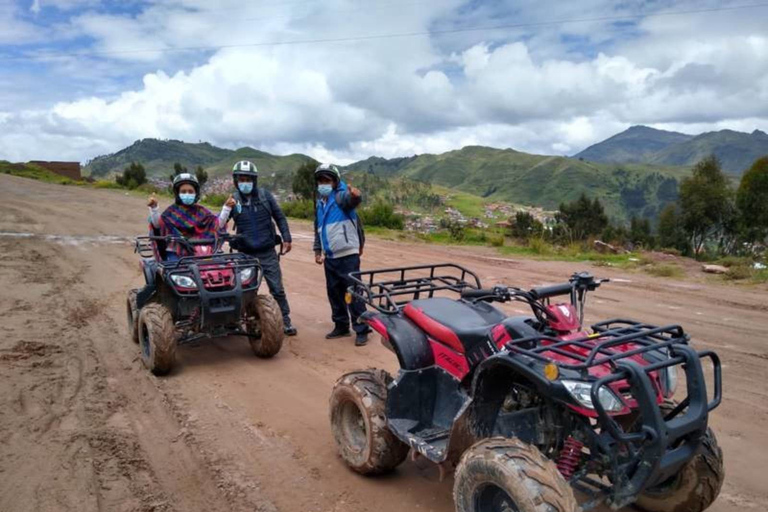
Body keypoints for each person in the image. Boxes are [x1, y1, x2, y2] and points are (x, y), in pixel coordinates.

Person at [220, 160, 298, 336]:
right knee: (243, 290)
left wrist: (287, 237)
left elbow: (280, 217)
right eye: (241, 179)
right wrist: (226, 208)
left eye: (248, 179)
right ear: (236, 180)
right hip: (245, 255)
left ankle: (284, 320)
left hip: (267, 252)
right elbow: (219, 225)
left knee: (277, 288)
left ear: (254, 180)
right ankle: (236, 320)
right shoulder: (233, 200)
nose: (244, 182)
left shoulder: (265, 197)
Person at [313, 163, 370, 346]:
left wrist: (356, 196)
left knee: (353, 293)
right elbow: (318, 229)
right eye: (321, 180)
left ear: (335, 182)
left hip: (348, 256)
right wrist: (317, 250)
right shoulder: (320, 204)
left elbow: (352, 201)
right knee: (335, 293)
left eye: (327, 180)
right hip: (330, 257)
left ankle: (361, 328)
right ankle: (341, 326)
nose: (323, 184)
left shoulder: (341, 197)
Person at [147, 173, 220, 261]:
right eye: (183, 192)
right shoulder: (170, 212)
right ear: (177, 193)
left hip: (198, 252)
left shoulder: (202, 212)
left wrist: (227, 208)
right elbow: (158, 225)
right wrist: (154, 208)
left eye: (190, 191)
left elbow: (216, 223)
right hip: (175, 253)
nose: (187, 194)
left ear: (196, 193)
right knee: (173, 272)